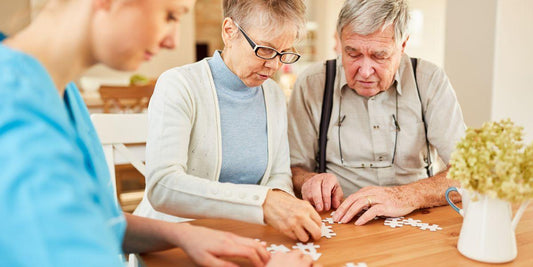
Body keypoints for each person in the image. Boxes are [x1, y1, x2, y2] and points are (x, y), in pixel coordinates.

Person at [0, 0, 313, 266]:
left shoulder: (60, 93)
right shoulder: (17, 111)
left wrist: (182, 234)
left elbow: (97, 222)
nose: (173, 42)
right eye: (170, 15)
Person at [134, 0, 322, 243]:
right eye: (265, 50)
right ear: (229, 31)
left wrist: (279, 200)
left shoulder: (273, 94)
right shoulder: (179, 85)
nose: (274, 65)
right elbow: (163, 187)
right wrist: (262, 202)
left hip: (248, 237)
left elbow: (279, 175)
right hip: (173, 240)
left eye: (284, 53)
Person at [288, 0, 465, 226]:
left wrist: (405, 197)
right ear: (339, 41)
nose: (364, 71)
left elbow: (469, 173)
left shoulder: (429, 80)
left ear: (402, 46)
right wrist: (308, 181)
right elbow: (291, 169)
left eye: (379, 56)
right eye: (352, 54)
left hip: (420, 218)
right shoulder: (312, 83)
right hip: (340, 222)